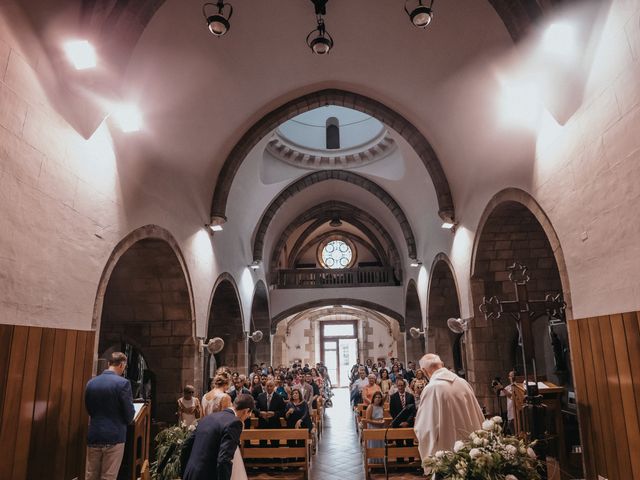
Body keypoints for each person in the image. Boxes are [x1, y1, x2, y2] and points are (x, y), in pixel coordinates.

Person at [414, 354, 484, 467]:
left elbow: (425, 429)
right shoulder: (463, 383)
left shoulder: (432, 389)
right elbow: (478, 415)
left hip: (446, 455)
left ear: (423, 370)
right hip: (471, 451)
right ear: (442, 364)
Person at [85, 352, 135, 480]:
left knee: (91, 475)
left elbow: (89, 409)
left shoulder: (91, 383)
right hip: (114, 435)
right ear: (122, 365)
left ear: (108, 364)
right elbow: (129, 415)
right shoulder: (123, 383)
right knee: (108, 476)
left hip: (95, 434)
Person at [181, 393, 255, 480]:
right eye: (248, 414)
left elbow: (186, 445)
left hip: (190, 473)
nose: (248, 417)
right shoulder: (234, 423)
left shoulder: (208, 418)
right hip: (207, 475)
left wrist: (184, 472)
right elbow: (224, 459)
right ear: (246, 411)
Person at [364, 391, 385, 464]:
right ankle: (373, 462)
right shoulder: (371, 406)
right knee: (374, 445)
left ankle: (381, 462)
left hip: (381, 427)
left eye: (379, 397)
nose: (378, 399)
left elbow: (382, 416)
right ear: (373, 398)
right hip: (373, 427)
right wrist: (377, 422)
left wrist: (382, 421)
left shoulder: (381, 406)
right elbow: (367, 420)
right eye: (376, 397)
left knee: (380, 445)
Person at [493, 370, 516, 434]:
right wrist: (495, 387)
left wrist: (502, 388)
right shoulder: (508, 387)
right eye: (509, 376)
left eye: (511, 376)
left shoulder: (519, 387)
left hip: (516, 415)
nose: (509, 378)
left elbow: (511, 396)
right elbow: (499, 394)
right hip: (510, 415)